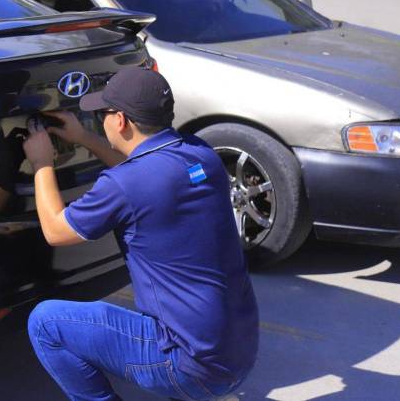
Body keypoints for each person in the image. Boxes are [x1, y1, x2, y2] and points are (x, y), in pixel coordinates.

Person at [22, 67, 259, 401]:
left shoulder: (124, 185)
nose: (100, 122)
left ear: (120, 121)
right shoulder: (200, 155)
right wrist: (85, 138)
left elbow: (56, 231)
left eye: (102, 115)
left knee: (45, 323)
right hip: (240, 352)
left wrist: (41, 162)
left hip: (189, 365)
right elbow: (140, 177)